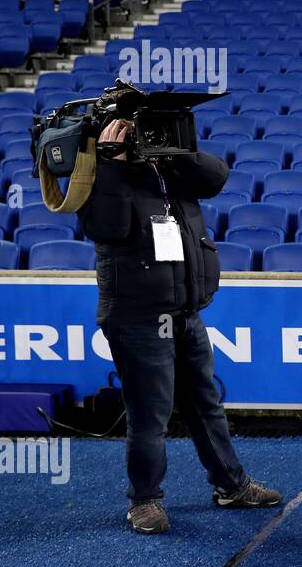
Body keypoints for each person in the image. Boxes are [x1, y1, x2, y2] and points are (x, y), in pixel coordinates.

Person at [78, 117, 281, 534]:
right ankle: (144, 502)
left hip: (185, 310)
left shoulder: (169, 166)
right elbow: (106, 227)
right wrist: (112, 160)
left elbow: (215, 177)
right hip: (137, 315)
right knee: (150, 416)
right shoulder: (98, 170)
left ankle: (231, 486)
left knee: (206, 404)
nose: (142, 135)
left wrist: (176, 146)